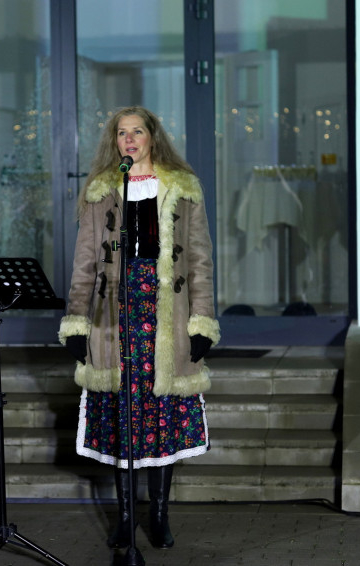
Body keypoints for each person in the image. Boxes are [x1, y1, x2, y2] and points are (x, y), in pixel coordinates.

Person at [58, 106, 220, 550]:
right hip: (115, 315)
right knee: (122, 416)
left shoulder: (182, 187)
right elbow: (85, 262)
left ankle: (160, 515)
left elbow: (200, 262)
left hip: (167, 312)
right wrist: (76, 320)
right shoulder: (102, 190)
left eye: (137, 131)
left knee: (162, 412)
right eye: (121, 133)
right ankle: (126, 517)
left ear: (152, 137)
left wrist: (202, 320)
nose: (129, 139)